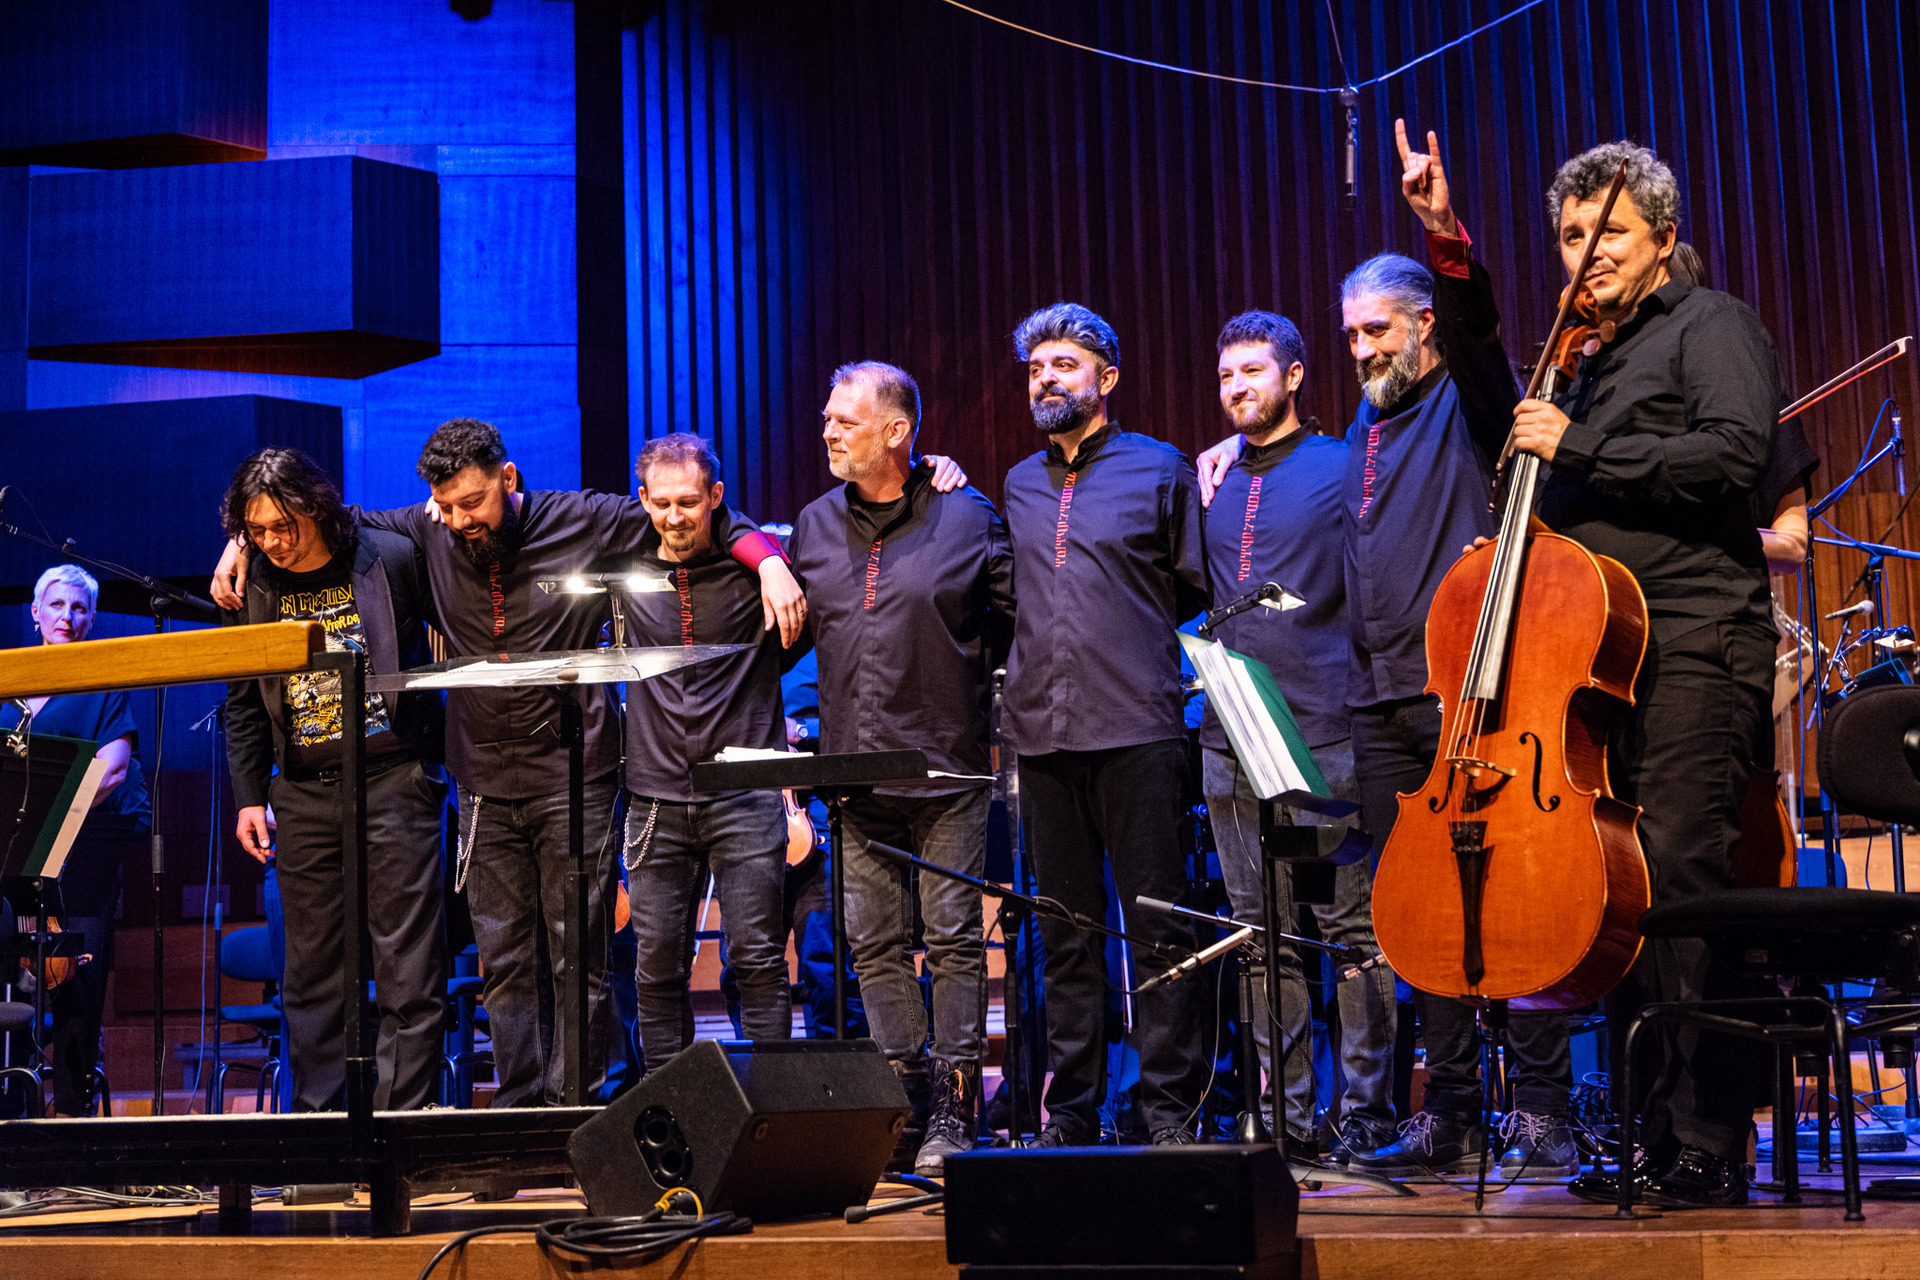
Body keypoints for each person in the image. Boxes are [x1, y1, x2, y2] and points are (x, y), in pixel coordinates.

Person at [212, 417, 804, 1105]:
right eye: (448, 507)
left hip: (574, 775)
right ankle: (515, 1113)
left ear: (509, 478)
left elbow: (687, 515)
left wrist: (767, 560)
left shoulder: (580, 517)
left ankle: (573, 1110)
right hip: (483, 780)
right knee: (505, 964)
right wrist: (238, 543)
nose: (462, 520)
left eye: (474, 502)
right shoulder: (428, 529)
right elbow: (326, 518)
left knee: (579, 959)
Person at [1197, 124, 1577, 1179]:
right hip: (1377, 705)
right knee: (1417, 912)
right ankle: (1449, 1110)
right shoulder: (1361, 429)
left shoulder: (1468, 396)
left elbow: (1481, 330)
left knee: (1509, 895)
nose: (1363, 348)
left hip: (1469, 690)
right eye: (1352, 333)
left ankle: (1543, 1109)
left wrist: (1443, 230)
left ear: (1423, 327)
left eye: (1379, 330)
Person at [1493, 140, 1781, 1207]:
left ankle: (1709, 1139)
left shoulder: (1712, 325)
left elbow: (1736, 455)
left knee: (1685, 880)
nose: (1588, 251)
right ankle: (1647, 1129)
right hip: (1599, 662)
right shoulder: (1585, 361)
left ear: (1661, 236)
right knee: (1618, 890)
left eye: (1608, 231)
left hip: (1699, 639)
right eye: (1571, 235)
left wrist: (1577, 448)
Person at [787, 360, 1015, 1174]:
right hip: (854, 773)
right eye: (827, 417)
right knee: (875, 945)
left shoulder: (966, 514)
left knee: (952, 940)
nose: (827, 431)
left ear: (895, 432)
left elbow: (1016, 622)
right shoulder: (814, 524)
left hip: (945, 768)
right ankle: (907, 1100)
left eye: (843, 420)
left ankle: (957, 1104)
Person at [1001, 303, 1211, 1147]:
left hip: (1137, 728)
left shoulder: (1161, 467)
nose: (1046, 380)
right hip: (1042, 737)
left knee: (1159, 927)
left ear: (1107, 378)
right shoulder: (1017, 482)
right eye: (1035, 369)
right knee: (1066, 937)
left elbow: (1193, 588)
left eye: (1064, 365)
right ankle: (1073, 1113)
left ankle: (1169, 1113)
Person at [1197, 312, 1396, 1162]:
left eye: (1253, 371)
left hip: (1322, 734)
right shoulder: (1209, 478)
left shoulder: (1341, 463)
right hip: (1229, 739)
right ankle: (1288, 1118)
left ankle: (1368, 1111)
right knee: (1260, 935)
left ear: (1294, 375)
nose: (1237, 387)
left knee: (1350, 931)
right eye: (1225, 375)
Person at [220, 448, 449, 1112]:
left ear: (315, 508)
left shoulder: (389, 557)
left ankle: (402, 1124)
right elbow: (243, 701)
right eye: (256, 531)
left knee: (408, 968)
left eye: (282, 526)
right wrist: (249, 798)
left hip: (395, 778)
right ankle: (320, 1128)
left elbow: (456, 633)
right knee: (310, 974)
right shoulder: (250, 586)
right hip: (301, 791)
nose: (272, 542)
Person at [619, 433, 793, 1067]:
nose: (675, 517)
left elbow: (755, 538)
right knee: (657, 967)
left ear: (715, 496)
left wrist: (767, 560)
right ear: (642, 499)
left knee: (757, 961)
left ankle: (771, 1106)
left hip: (743, 793)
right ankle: (672, 1108)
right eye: (662, 503)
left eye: (689, 502)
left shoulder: (756, 566)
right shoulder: (623, 561)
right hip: (654, 798)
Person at [0, 565, 151, 1116]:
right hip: (11, 853)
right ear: (35, 612)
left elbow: (113, 769)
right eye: (58, 605)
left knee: (76, 980)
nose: (68, 616)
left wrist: (50, 817)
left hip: (82, 848)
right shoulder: (9, 679)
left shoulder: (100, 682)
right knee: (10, 968)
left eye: (80, 608)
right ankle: (13, 1104)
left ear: (91, 619)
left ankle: (71, 1112)